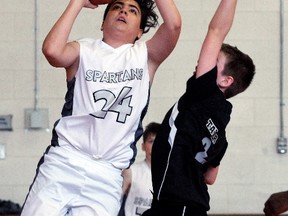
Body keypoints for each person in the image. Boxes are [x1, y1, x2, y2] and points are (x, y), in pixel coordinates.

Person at [20, 0, 181, 215]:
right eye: (117, 7)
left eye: (133, 10)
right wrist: (77, 2)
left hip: (107, 173)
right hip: (65, 160)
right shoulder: (83, 49)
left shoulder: (145, 56)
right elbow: (51, 51)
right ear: (102, 23)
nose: (124, 10)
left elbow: (174, 25)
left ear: (140, 32)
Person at [142, 0, 255, 215]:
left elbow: (216, 30)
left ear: (225, 81)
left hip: (176, 206)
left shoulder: (203, 93)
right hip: (188, 206)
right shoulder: (220, 128)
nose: (204, 62)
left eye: (215, 61)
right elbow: (210, 177)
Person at [118, 122, 161, 216]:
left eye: (159, 141)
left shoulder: (171, 177)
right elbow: (115, 201)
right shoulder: (131, 172)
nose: (155, 146)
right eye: (151, 141)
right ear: (143, 146)